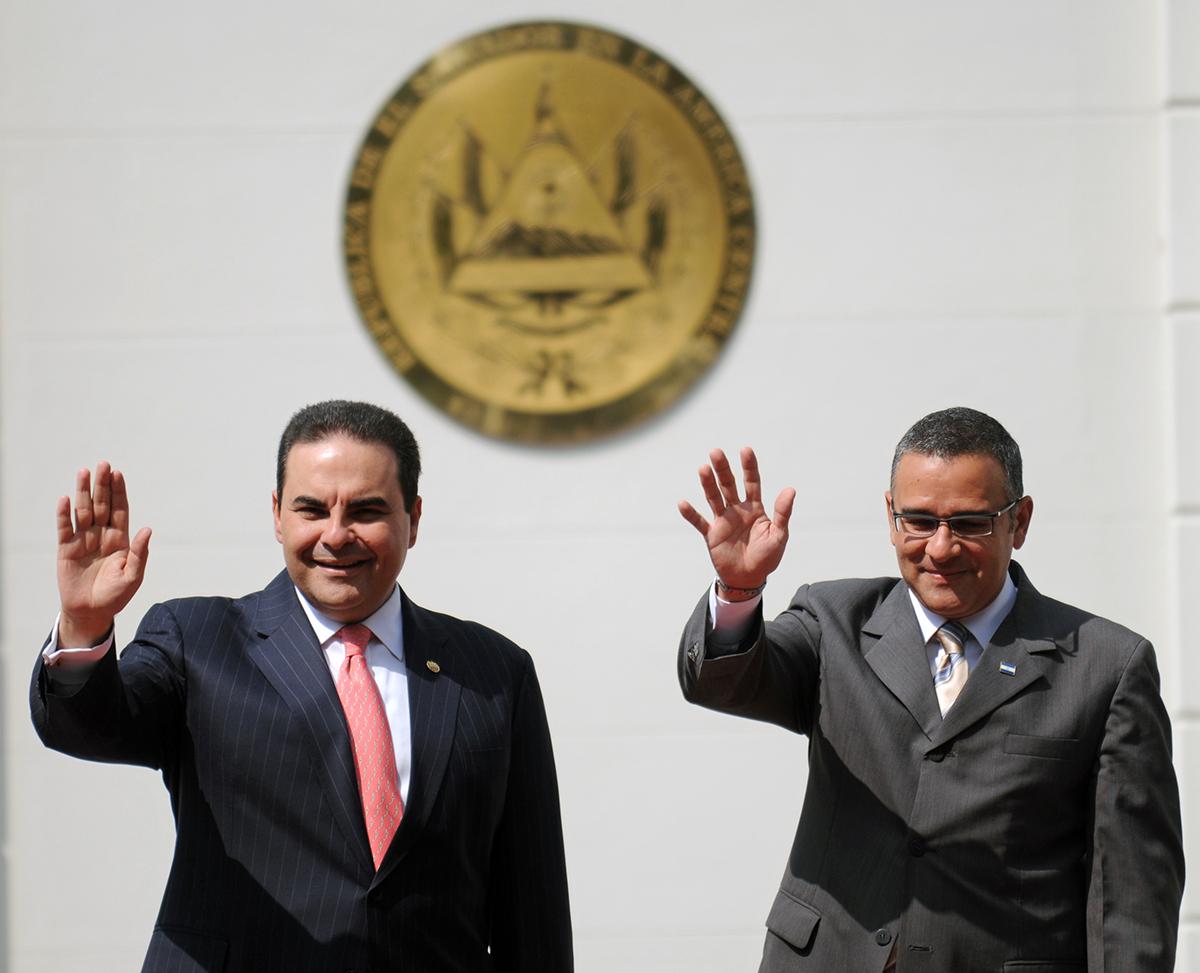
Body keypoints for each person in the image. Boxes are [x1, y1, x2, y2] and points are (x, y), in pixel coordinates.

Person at [31, 399, 573, 973]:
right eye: (311, 509)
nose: (336, 536)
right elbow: (88, 724)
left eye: (366, 511)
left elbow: (531, 907)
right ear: (277, 515)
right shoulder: (199, 640)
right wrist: (85, 627)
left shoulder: (493, 672)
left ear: (413, 519)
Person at [676, 407, 1183, 973]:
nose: (941, 549)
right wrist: (740, 590)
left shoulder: (1106, 666)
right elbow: (726, 682)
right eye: (920, 521)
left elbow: (1130, 898)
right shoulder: (833, 622)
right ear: (891, 517)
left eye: (970, 523)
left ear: (1020, 522)